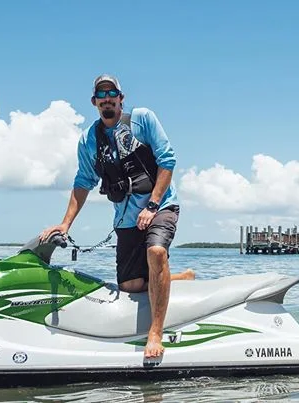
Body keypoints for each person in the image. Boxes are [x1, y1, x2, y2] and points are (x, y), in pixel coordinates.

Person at [40, 74, 192, 358]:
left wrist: (152, 205)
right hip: (126, 219)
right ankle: (178, 278)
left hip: (161, 205)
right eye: (101, 94)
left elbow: (167, 161)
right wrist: (65, 224)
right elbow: (83, 182)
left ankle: (155, 333)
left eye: (112, 93)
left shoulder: (142, 119)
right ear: (94, 102)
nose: (107, 98)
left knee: (156, 251)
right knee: (129, 286)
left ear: (121, 98)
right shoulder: (89, 139)